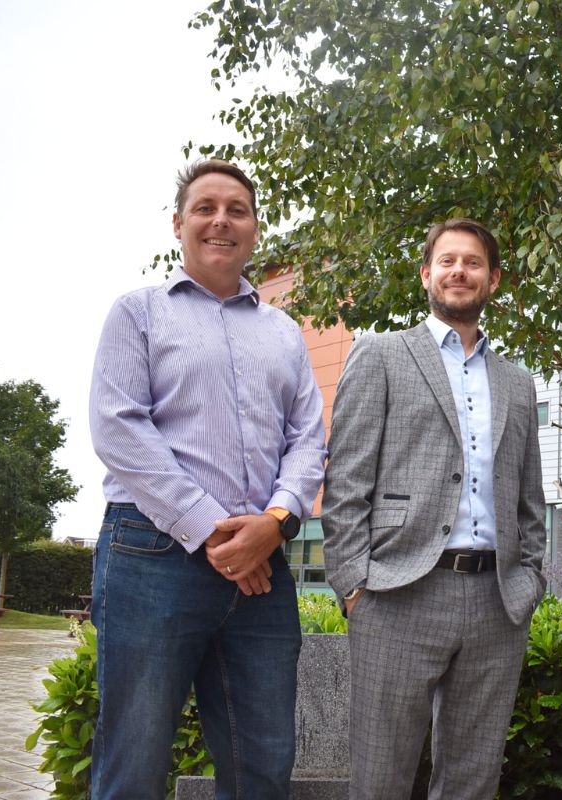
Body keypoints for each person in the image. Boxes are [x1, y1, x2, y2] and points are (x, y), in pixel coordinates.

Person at [88, 160, 326, 799]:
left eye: (237, 210)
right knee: (133, 765)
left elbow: (307, 438)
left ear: (254, 229)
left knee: (263, 766)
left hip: (264, 567)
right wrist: (216, 535)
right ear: (178, 224)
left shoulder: (283, 331)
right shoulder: (137, 313)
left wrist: (274, 525)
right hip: (152, 555)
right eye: (205, 208)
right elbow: (118, 429)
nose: (221, 220)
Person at [321, 218, 547, 800]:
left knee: (472, 781)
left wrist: (529, 580)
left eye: (473, 263)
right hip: (397, 592)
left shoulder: (518, 382)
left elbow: (529, 498)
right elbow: (345, 480)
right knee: (380, 779)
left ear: (493, 280)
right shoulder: (381, 354)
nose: (459, 272)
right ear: (426, 274)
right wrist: (353, 583)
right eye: (447, 261)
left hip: (496, 601)